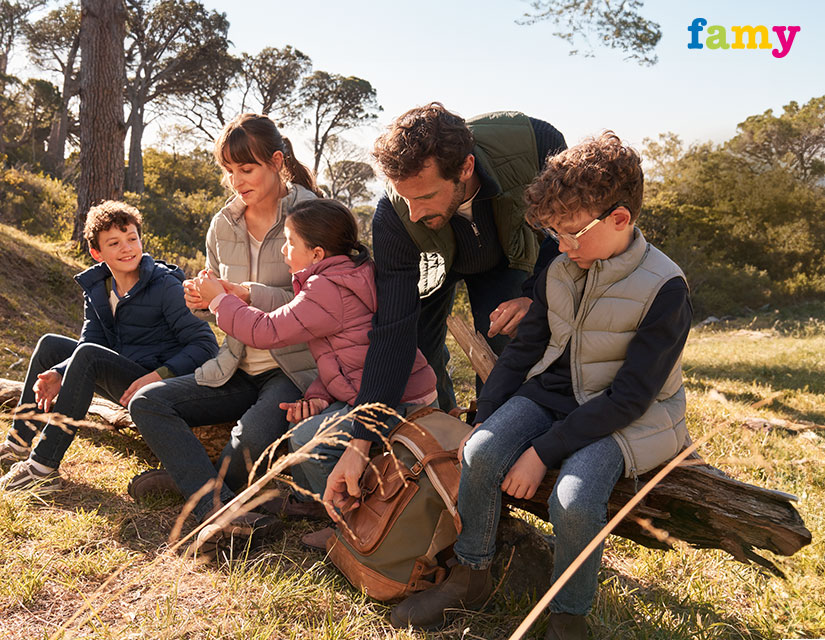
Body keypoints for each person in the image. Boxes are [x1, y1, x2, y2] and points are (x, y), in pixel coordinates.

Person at [387, 132, 693, 638]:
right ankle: (472, 574)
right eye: (554, 234)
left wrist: (541, 453)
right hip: (551, 392)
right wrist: (486, 415)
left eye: (571, 233)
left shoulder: (666, 287)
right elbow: (528, 348)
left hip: (622, 416)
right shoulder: (560, 263)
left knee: (573, 500)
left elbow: (632, 396)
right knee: (480, 452)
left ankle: (568, 617)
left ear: (620, 219)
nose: (563, 245)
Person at [323, 102, 567, 525]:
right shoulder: (398, 219)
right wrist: (359, 442)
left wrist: (535, 297)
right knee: (417, 356)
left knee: (508, 346)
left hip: (507, 256)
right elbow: (392, 333)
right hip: (433, 259)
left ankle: (493, 452)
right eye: (405, 197)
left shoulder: (537, 146)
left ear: (466, 167)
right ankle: (445, 448)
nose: (413, 210)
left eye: (425, 195)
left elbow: (565, 239)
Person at [127, 113, 320, 538]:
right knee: (146, 402)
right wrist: (200, 301)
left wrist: (247, 293)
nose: (237, 180)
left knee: (248, 440)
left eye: (246, 169)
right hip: (233, 364)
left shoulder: (313, 215)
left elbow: (326, 302)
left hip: (292, 371)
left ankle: (195, 488)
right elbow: (217, 301)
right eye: (229, 171)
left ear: (276, 161)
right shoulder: (222, 224)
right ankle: (219, 505)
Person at [191, 198, 437, 506]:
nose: (284, 251)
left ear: (316, 253)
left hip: (401, 401)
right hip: (395, 390)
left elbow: (266, 331)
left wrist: (218, 301)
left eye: (290, 243)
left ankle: (343, 516)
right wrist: (319, 394)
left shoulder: (326, 287)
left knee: (308, 438)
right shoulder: (353, 272)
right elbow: (345, 353)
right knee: (301, 422)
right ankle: (305, 502)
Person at [0, 201, 218, 494]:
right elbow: (91, 342)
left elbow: (205, 345)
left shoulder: (166, 286)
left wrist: (159, 375)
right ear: (97, 253)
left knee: (88, 357)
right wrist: (60, 372)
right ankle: (18, 444)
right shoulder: (98, 289)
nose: (127, 248)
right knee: (50, 345)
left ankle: (42, 469)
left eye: (132, 239)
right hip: (125, 374)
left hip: (163, 387)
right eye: (114, 243)